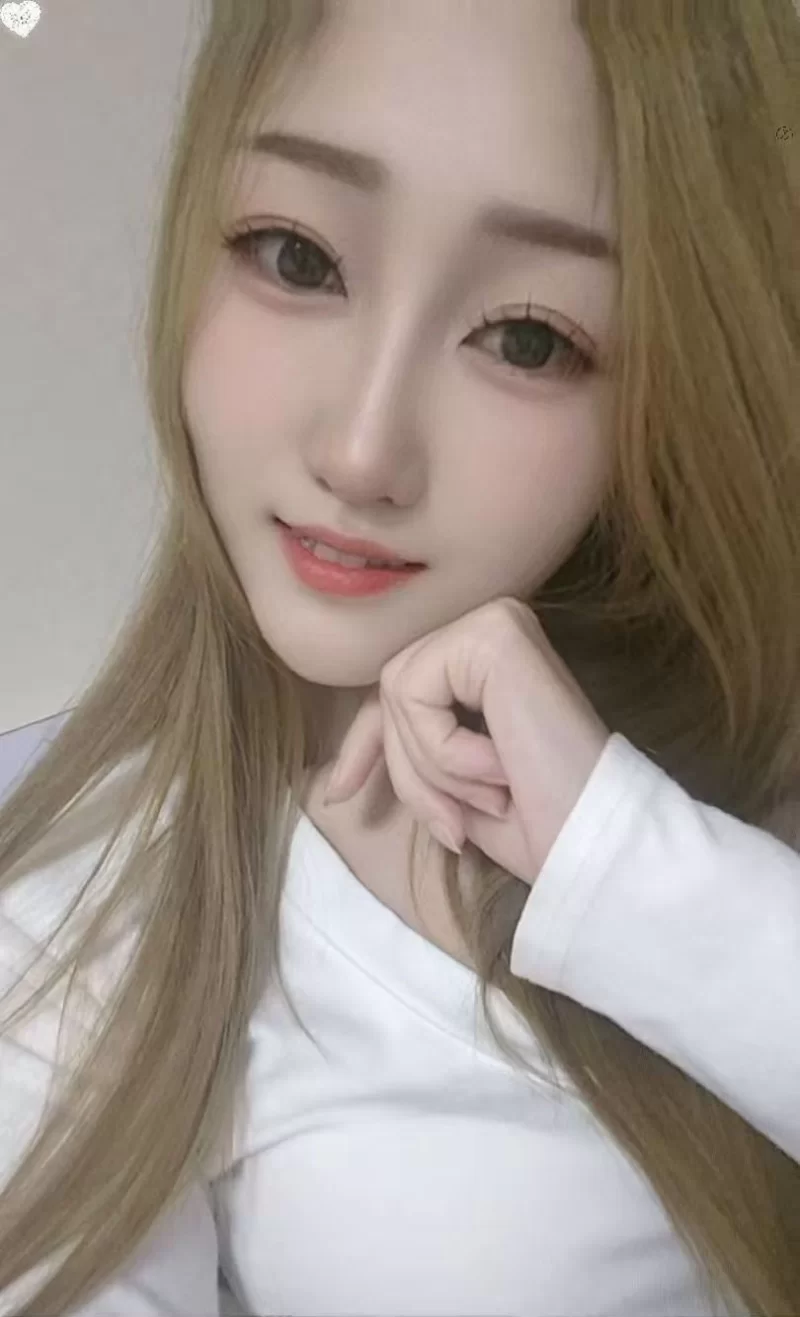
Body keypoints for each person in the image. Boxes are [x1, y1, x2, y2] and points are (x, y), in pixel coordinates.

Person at [1, 1, 798, 1313]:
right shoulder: (89, 937)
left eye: (527, 338)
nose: (364, 451)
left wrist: (630, 867)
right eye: (298, 258)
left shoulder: (738, 751)